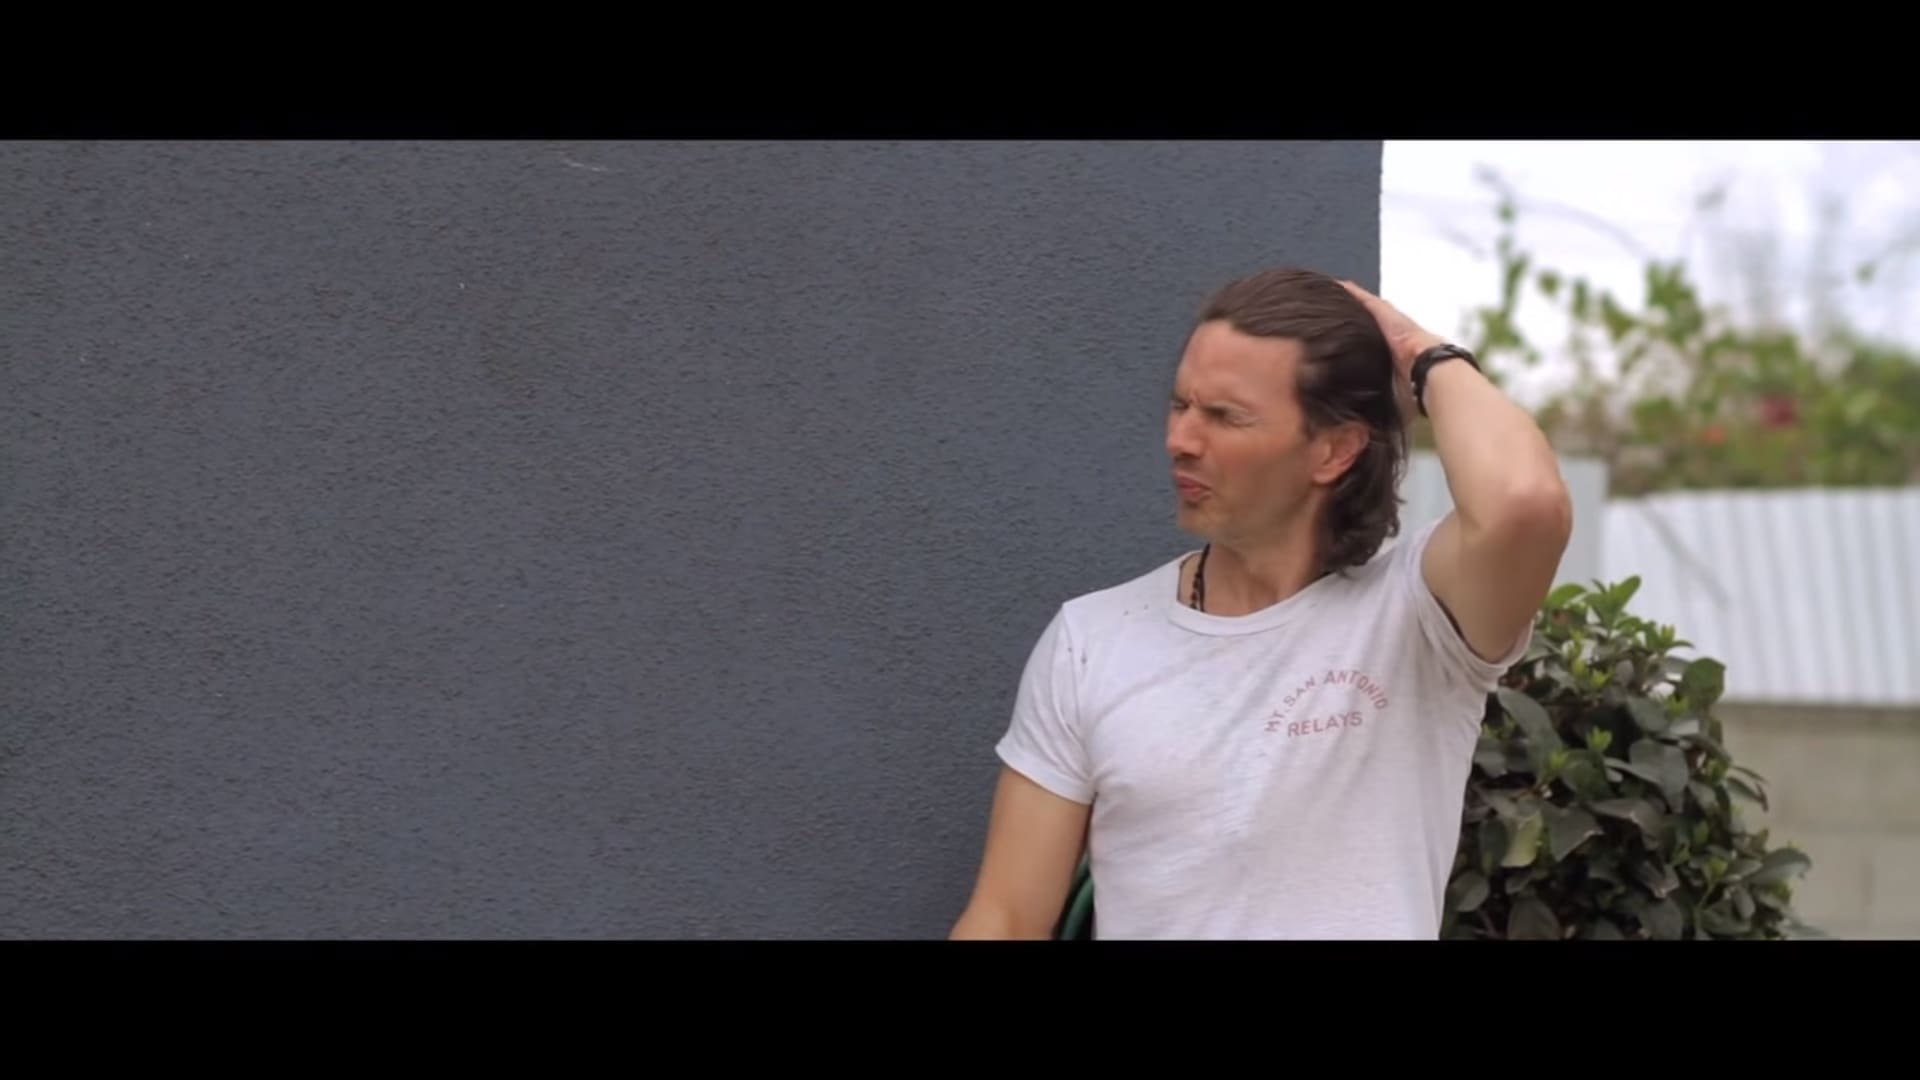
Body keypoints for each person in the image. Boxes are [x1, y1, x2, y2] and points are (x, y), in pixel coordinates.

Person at [948, 266, 1573, 940]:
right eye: (1181, 405)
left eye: (1225, 416)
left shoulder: (1418, 616)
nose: (1181, 440)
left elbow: (1524, 501)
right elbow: (1006, 917)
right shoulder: (1091, 641)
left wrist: (1421, 353)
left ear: (1334, 451)